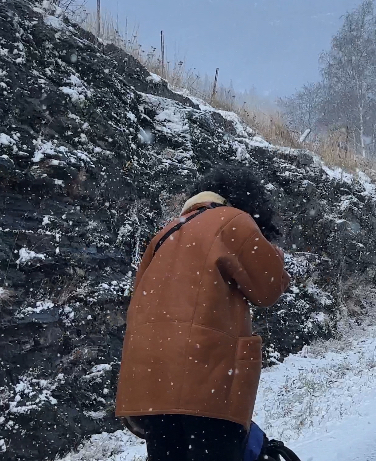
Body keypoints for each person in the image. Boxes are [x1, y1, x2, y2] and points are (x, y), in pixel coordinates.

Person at [115, 165, 291, 461]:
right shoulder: (232, 219)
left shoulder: (164, 233)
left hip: (152, 381)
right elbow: (269, 287)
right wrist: (275, 255)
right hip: (207, 380)